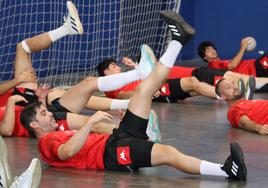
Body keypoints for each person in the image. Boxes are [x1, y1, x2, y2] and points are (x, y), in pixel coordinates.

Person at [20, 11, 247, 181]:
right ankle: (226, 171)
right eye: (43, 113)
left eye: (46, 110)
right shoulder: (47, 143)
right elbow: (67, 151)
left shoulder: (54, 130)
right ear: (34, 124)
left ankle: (178, 39)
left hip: (117, 138)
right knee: (168, 153)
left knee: (144, 90)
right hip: (114, 154)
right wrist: (90, 122)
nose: (49, 114)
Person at [0, 1, 158, 138]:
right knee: (91, 119)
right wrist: (12, 99)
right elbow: (6, 130)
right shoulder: (18, 113)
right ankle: (138, 120)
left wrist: (34, 97)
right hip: (35, 115)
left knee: (23, 48)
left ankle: (67, 28)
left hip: (31, 104)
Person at [97, 47, 259, 102]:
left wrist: (136, 67)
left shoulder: (126, 77)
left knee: (196, 87)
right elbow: (124, 95)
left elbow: (144, 76)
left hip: (157, 85)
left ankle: (231, 97)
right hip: (155, 92)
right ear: (106, 72)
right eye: (113, 66)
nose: (117, 67)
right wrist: (148, 90)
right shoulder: (111, 85)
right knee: (193, 83)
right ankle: (233, 96)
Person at [197, 39, 268, 82]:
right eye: (208, 51)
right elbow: (233, 65)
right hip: (255, 69)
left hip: (256, 67)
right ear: (204, 57)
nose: (212, 51)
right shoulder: (213, 64)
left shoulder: (221, 62)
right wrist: (243, 47)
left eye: (212, 48)